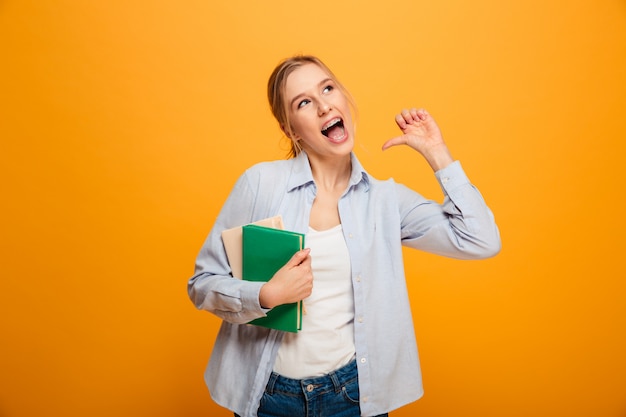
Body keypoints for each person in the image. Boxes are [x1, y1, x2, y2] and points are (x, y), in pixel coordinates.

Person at [188, 55, 501, 417]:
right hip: (269, 396)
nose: (324, 106)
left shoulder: (385, 201)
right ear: (291, 129)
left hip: (353, 397)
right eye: (304, 102)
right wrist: (266, 295)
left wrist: (437, 153)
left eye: (328, 88)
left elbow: (480, 239)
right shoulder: (260, 184)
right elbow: (202, 283)